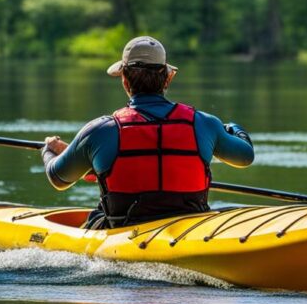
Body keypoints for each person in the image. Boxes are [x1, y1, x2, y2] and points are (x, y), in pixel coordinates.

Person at [41, 36, 255, 229]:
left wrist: (48, 149)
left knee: (96, 214)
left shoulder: (99, 131)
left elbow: (59, 179)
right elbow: (245, 157)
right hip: (190, 229)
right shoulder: (205, 123)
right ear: (167, 78)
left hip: (123, 232)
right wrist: (233, 127)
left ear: (124, 80)